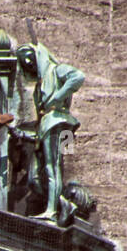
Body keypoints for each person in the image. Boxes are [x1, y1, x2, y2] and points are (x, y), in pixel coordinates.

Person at [15, 41, 84, 219]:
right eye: (24, 61)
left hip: (58, 123)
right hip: (53, 125)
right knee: (36, 177)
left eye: (29, 57)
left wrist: (56, 97)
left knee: (54, 166)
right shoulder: (40, 84)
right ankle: (62, 203)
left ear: (39, 55)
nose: (28, 62)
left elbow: (78, 76)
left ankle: (52, 210)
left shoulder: (56, 70)